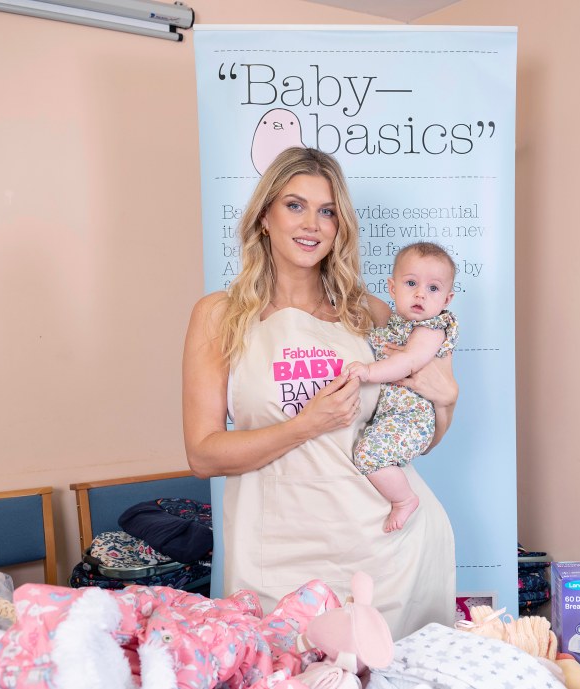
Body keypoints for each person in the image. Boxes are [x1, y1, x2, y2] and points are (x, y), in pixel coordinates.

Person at [181, 147, 458, 639]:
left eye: (327, 211)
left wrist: (446, 401)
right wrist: (306, 423)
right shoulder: (218, 316)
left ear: (340, 226)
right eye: (295, 205)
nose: (312, 223)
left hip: (384, 555)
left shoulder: (369, 315)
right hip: (273, 559)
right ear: (264, 215)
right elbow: (203, 455)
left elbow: (415, 435)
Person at [345, 242, 459, 533]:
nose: (421, 293)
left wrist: (369, 371)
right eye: (411, 283)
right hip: (393, 415)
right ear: (393, 288)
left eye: (433, 289)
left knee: (369, 454)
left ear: (447, 299)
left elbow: (408, 361)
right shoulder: (395, 321)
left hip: (412, 419)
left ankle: (404, 499)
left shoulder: (431, 328)